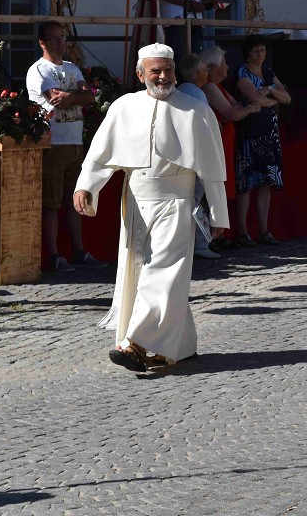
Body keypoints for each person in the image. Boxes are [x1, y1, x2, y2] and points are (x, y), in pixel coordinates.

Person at [73, 43, 228, 371]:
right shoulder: (123, 107)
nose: (162, 76)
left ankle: (138, 345)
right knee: (144, 274)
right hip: (136, 206)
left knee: (163, 274)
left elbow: (212, 170)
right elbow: (101, 156)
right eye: (155, 71)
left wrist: (218, 213)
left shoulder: (195, 110)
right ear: (140, 74)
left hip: (176, 202)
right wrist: (87, 185)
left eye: (167, 70)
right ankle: (180, 345)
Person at [26, 21, 108, 274]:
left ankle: (79, 250)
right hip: (53, 141)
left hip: (75, 141)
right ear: (43, 43)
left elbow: (90, 97)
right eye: (55, 39)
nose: (61, 43)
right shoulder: (39, 70)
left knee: (76, 198)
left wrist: (73, 95)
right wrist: (75, 96)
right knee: (51, 203)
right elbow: (55, 100)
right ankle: (53, 255)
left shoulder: (72, 68)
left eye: (63, 38)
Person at [234, 34, 290, 246]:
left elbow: (287, 98)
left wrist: (268, 92)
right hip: (250, 132)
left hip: (270, 133)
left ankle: (264, 230)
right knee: (247, 182)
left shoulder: (268, 72)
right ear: (248, 52)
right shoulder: (242, 72)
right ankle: (243, 232)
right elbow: (255, 99)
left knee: (266, 182)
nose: (260, 55)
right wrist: (270, 93)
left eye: (263, 50)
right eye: (256, 50)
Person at [200, 47, 259, 250]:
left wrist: (245, 109)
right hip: (217, 144)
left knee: (221, 186)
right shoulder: (210, 87)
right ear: (214, 67)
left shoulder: (219, 87)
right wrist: (251, 108)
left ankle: (218, 233)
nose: (227, 67)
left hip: (224, 142)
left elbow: (235, 109)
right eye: (224, 63)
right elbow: (233, 113)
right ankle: (210, 236)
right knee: (213, 187)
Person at [175, 52, 220, 261]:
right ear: (197, 72)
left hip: (186, 155)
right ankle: (199, 244)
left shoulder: (185, 91)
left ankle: (198, 243)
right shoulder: (196, 94)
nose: (208, 72)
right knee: (195, 201)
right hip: (195, 155)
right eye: (205, 69)